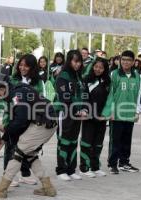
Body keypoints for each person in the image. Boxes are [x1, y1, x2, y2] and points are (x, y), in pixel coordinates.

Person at [0, 74, 57, 198]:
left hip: (42, 125)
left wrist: (5, 138)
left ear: (2, 89)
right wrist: (7, 131)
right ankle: (48, 187)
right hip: (46, 123)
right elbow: (21, 118)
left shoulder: (16, 96)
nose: (0, 97)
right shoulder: (20, 89)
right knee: (30, 155)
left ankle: (1, 189)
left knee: (18, 153)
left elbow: (20, 121)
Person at [4, 54, 45, 186]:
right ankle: (7, 176)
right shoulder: (12, 80)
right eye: (20, 65)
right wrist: (6, 121)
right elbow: (7, 102)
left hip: (31, 121)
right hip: (15, 118)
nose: (22, 68)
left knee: (27, 148)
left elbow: (42, 100)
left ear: (32, 67)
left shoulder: (39, 82)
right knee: (11, 147)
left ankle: (25, 174)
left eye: (26, 65)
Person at [101, 50, 141, 174]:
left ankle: (124, 162)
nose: (125, 62)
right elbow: (111, 94)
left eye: (129, 60)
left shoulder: (137, 75)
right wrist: (110, 111)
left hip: (129, 113)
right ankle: (112, 164)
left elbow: (138, 94)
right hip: (117, 114)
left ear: (133, 62)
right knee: (115, 140)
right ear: (120, 60)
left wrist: (137, 111)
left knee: (127, 139)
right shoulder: (114, 74)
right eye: (123, 59)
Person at [54, 50, 88, 181]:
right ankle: (61, 169)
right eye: (75, 61)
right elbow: (64, 97)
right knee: (64, 141)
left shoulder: (79, 76)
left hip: (78, 114)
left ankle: (71, 169)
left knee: (73, 141)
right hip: (65, 113)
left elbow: (84, 95)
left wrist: (84, 109)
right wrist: (76, 110)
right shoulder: (63, 76)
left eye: (79, 61)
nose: (77, 64)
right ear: (69, 61)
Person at [79, 57, 111, 178]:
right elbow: (84, 97)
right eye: (96, 66)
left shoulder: (107, 82)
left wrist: (106, 113)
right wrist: (85, 110)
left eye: (101, 67)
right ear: (92, 67)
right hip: (89, 116)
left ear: (105, 69)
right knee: (87, 143)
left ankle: (95, 166)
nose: (98, 69)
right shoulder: (87, 80)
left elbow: (109, 100)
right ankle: (84, 167)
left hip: (102, 117)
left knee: (98, 143)